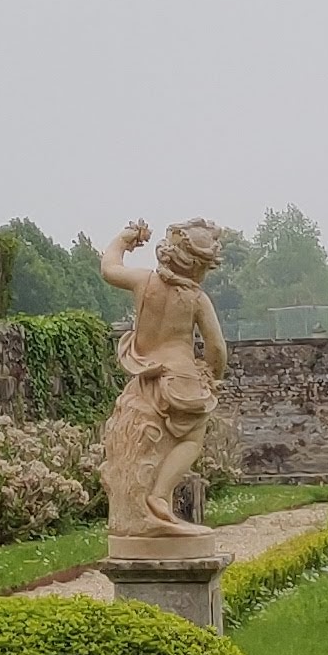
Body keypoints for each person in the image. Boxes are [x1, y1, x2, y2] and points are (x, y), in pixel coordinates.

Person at [95, 217, 228, 544]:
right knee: (191, 440)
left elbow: (109, 267)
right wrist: (211, 376)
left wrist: (126, 238)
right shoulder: (197, 299)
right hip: (181, 378)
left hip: (145, 375)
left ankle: (143, 508)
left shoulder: (144, 282)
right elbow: (216, 347)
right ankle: (159, 495)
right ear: (199, 266)